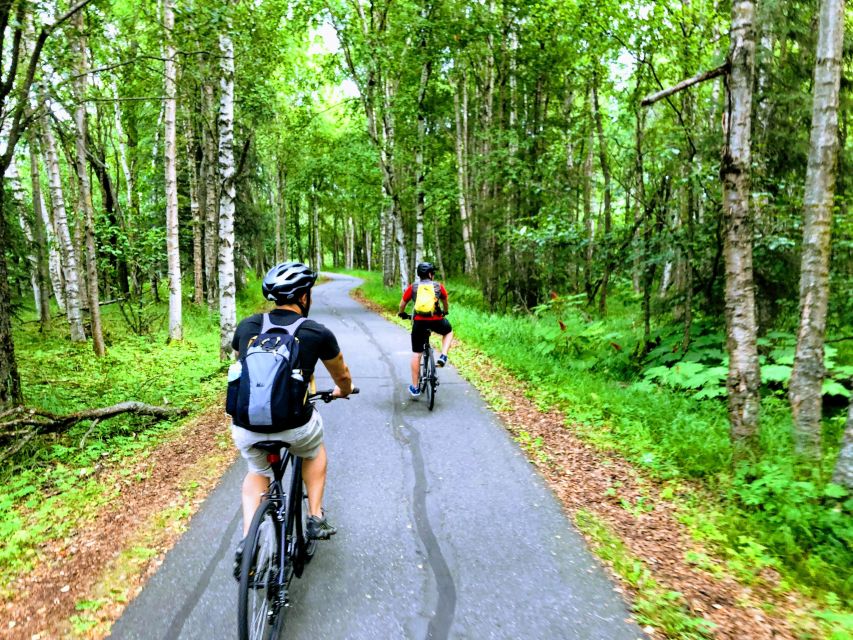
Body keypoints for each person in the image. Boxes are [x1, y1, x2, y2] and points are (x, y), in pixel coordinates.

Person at [230, 262, 353, 579]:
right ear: (303, 296)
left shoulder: (247, 326)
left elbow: (241, 368)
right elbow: (342, 375)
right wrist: (343, 391)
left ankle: (248, 541)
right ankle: (314, 516)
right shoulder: (315, 332)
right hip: (295, 425)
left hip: (247, 426)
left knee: (257, 470)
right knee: (314, 450)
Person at [397, 262, 453, 398]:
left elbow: (402, 304)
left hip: (419, 322)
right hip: (436, 321)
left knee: (417, 353)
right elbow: (445, 302)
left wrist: (402, 313)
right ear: (430, 274)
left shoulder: (413, 287)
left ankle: (415, 388)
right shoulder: (439, 286)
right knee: (448, 331)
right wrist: (445, 312)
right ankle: (444, 355)